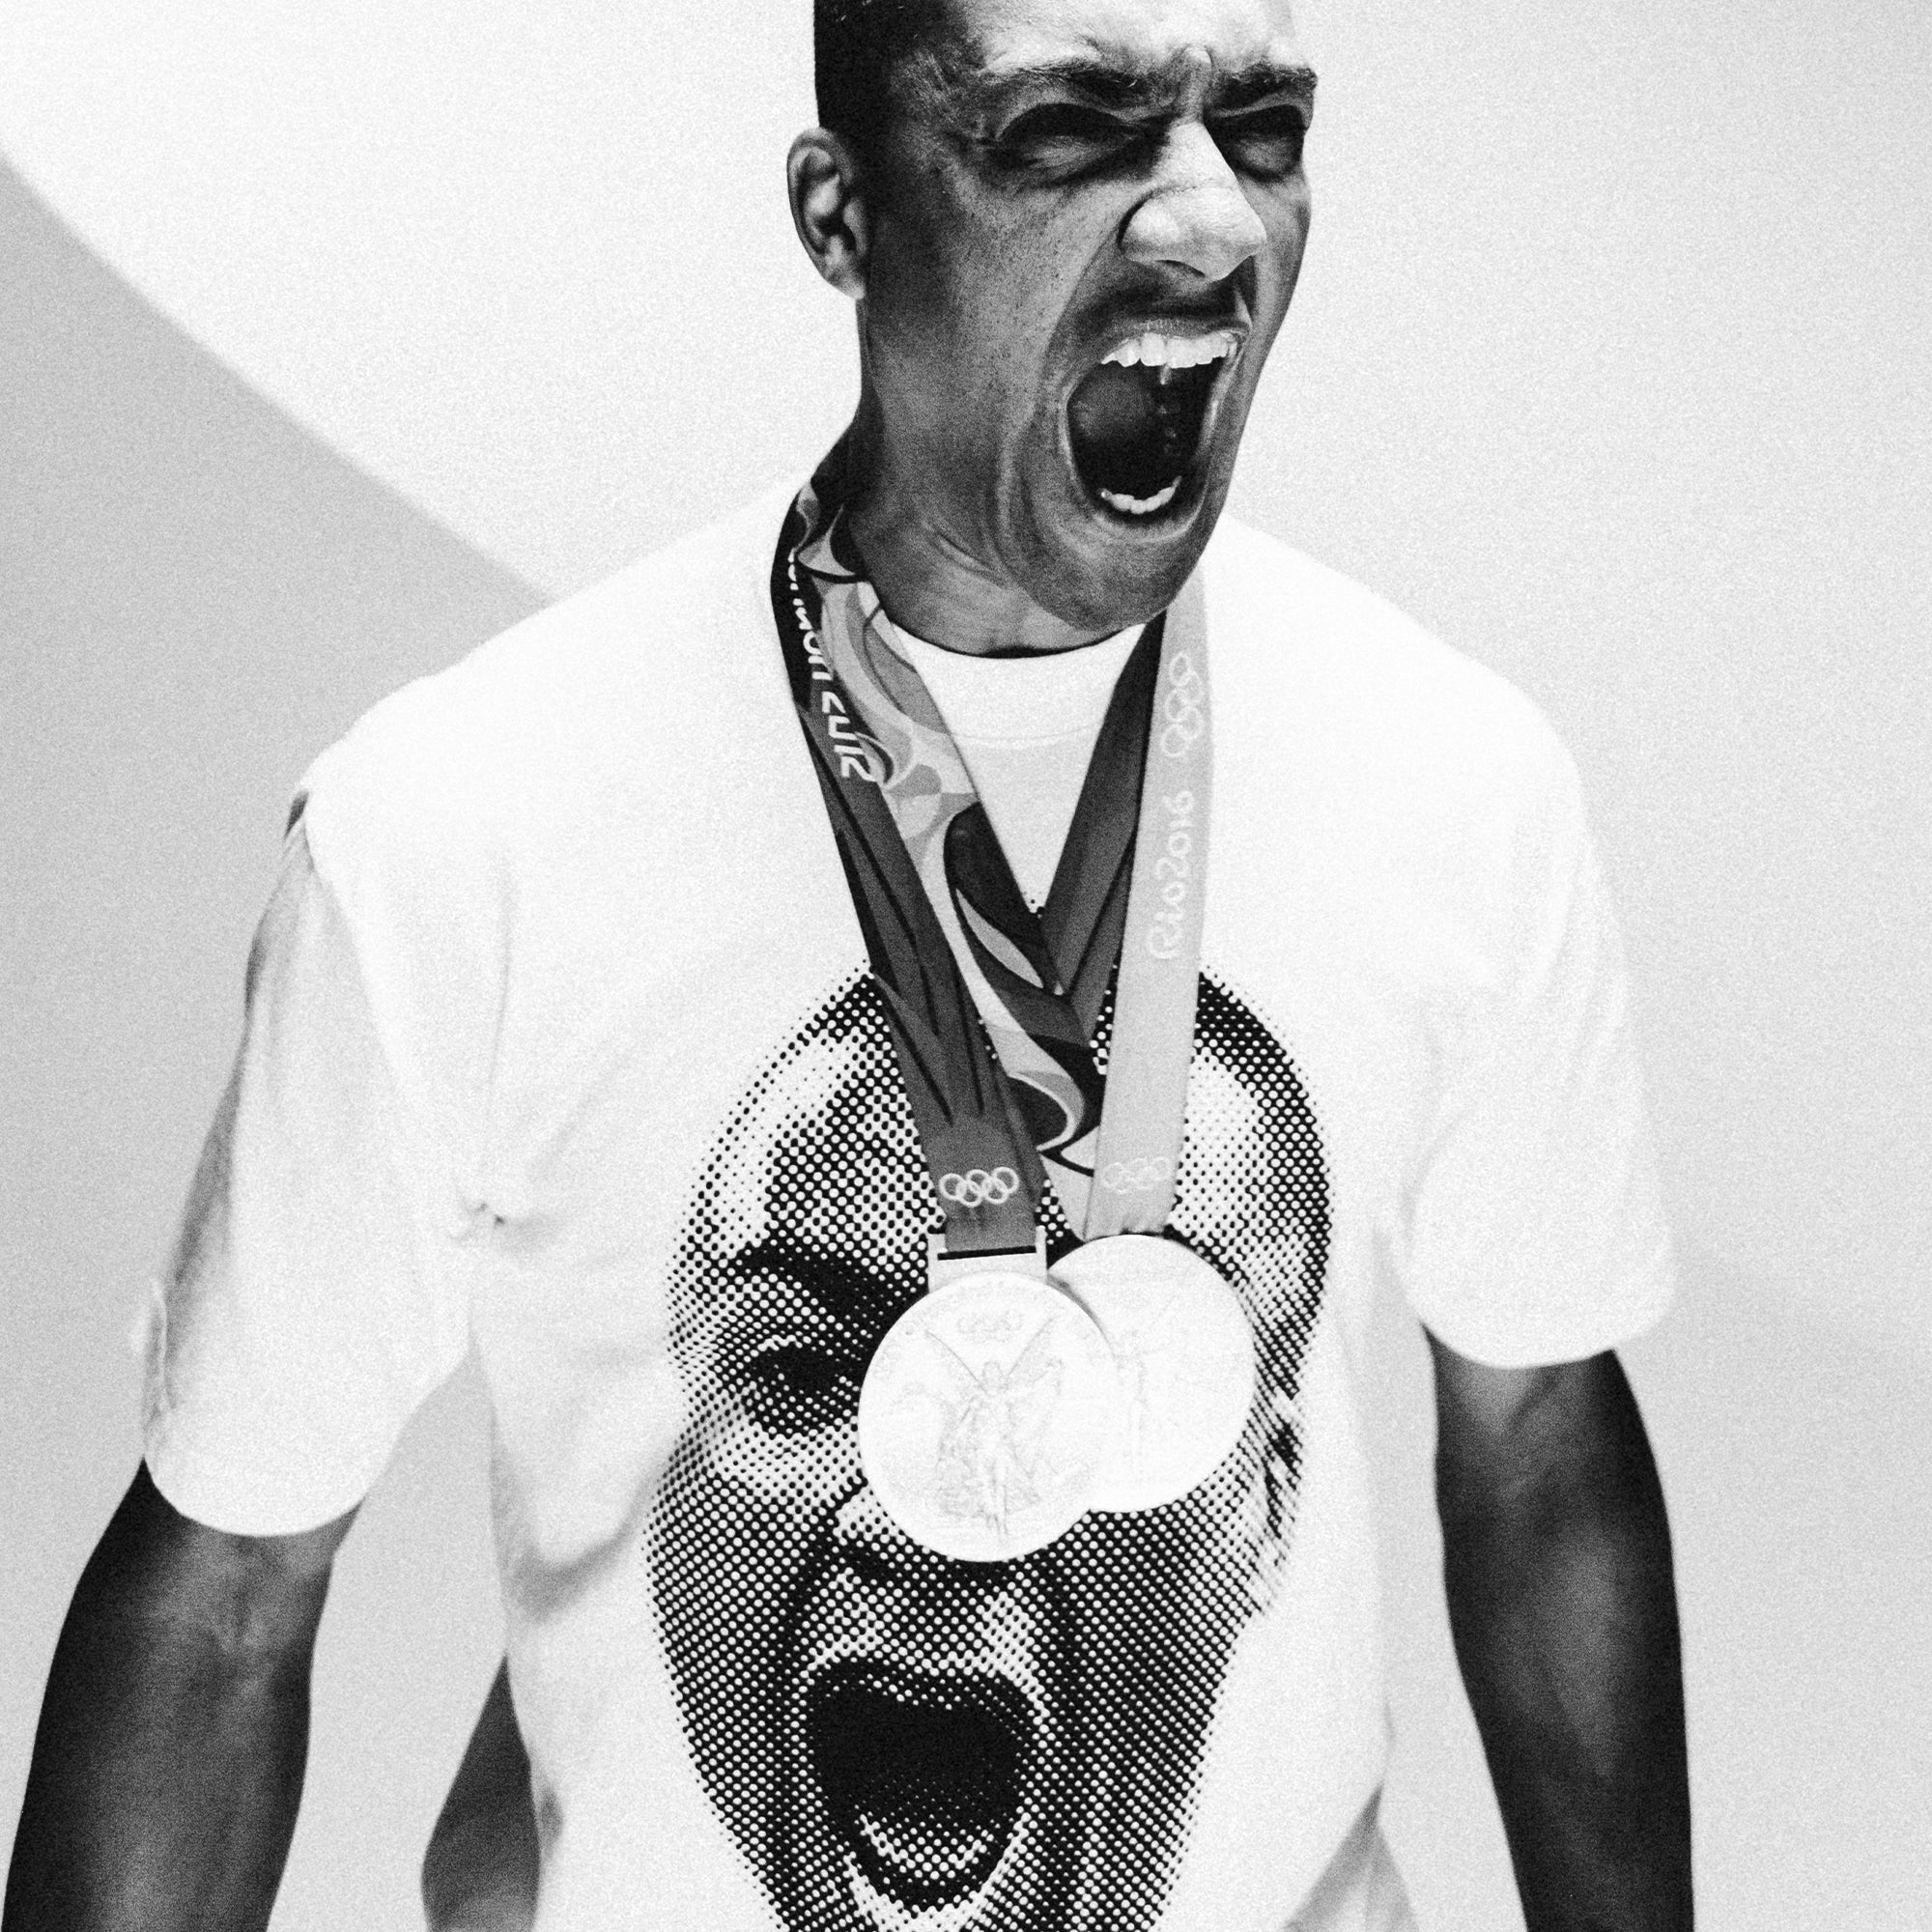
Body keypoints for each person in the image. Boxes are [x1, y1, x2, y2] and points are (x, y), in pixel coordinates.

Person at [5, 0, 1693, 1929]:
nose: (1211, 220)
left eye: (1264, 127)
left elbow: (1543, 1445)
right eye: (1074, 127)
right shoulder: (462, 825)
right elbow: (219, 1611)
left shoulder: (1450, 780)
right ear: (841, 212)